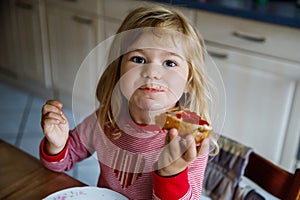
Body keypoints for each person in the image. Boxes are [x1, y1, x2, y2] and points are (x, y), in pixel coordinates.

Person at [40, 5, 217, 200]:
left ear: (188, 83)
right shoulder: (106, 118)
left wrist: (171, 172)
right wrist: (56, 145)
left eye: (170, 63)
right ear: (119, 73)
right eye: (138, 59)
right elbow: (60, 164)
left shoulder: (190, 137)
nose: (152, 72)